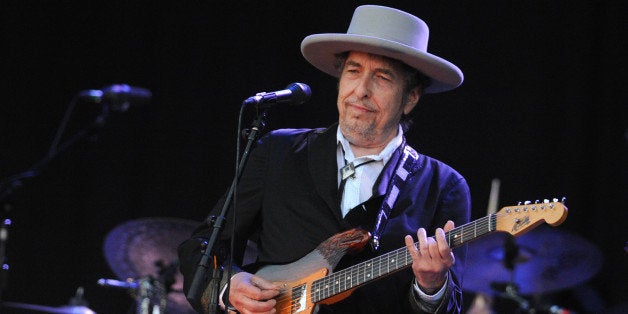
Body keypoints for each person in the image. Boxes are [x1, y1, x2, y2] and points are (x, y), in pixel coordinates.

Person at [178, 5, 471, 314]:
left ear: (410, 97)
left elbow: (450, 305)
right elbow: (204, 246)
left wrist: (431, 286)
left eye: (382, 77)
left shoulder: (444, 186)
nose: (361, 91)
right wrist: (229, 286)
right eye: (353, 71)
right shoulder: (278, 151)